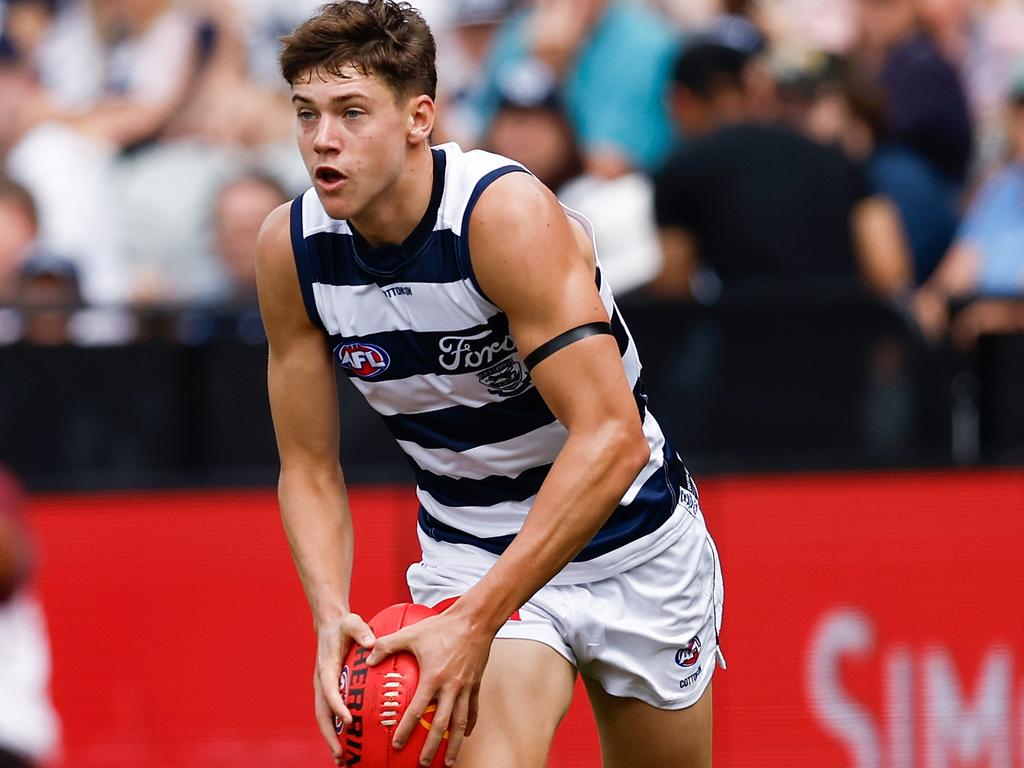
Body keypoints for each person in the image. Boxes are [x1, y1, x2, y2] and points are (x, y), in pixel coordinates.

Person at [256, 2, 724, 767]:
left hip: (632, 539)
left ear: (419, 118)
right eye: (306, 114)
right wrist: (328, 613)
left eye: (351, 112)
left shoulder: (499, 215)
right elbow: (307, 465)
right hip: (472, 548)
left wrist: (474, 619)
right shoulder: (291, 251)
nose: (322, 140)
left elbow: (610, 439)